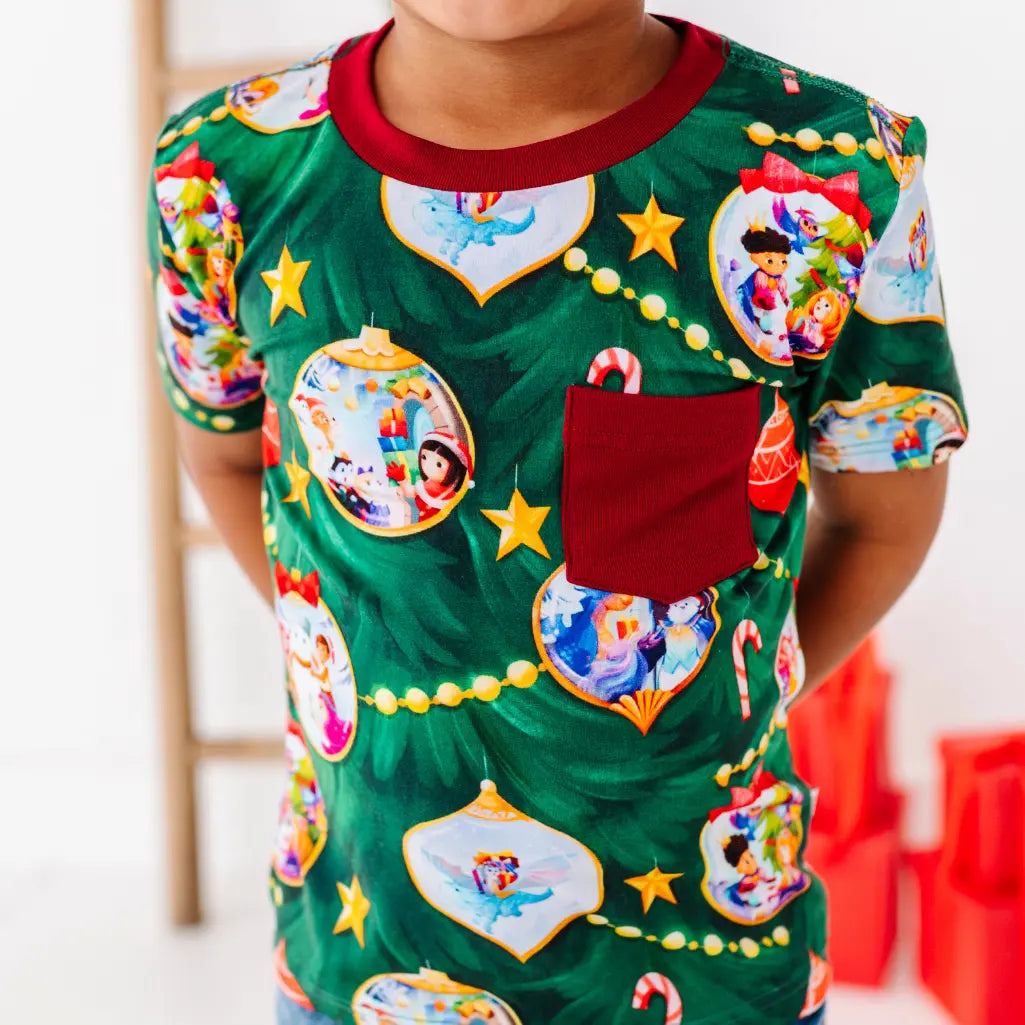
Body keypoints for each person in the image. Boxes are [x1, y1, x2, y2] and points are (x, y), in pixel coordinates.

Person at [146, 2, 966, 1023]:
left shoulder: (833, 170)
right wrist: (350, 649)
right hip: (358, 964)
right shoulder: (221, 173)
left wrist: (736, 691)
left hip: (711, 979)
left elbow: (883, 515)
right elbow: (227, 455)